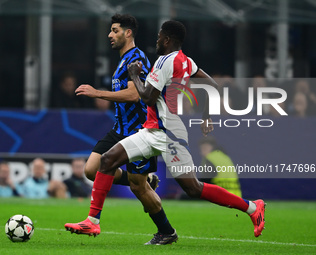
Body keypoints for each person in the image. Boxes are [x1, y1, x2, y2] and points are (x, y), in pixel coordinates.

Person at [65, 20, 266, 245]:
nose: (157, 40)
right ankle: (93, 220)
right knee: (108, 159)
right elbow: (212, 85)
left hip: (168, 133)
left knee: (193, 188)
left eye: (159, 37)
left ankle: (251, 207)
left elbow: (147, 97)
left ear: (167, 40)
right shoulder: (186, 60)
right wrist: (206, 115)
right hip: (152, 130)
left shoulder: (164, 61)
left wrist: (134, 76)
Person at [69, 14, 159, 202]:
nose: (110, 35)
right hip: (119, 129)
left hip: (138, 132)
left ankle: (165, 228)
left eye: (114, 30)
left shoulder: (137, 58)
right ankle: (148, 179)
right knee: (91, 170)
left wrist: (98, 93)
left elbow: (134, 95)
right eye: (110, 30)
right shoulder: (123, 60)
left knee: (139, 189)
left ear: (128, 33)